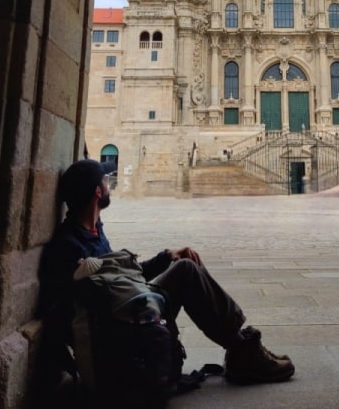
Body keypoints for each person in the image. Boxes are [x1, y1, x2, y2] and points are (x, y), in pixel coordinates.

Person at [39, 159, 294, 391]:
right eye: (105, 181)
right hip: (122, 329)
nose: (109, 185)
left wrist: (166, 257)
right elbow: (74, 309)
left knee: (184, 265)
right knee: (187, 271)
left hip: (128, 311)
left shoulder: (93, 230)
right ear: (97, 192)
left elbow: (124, 278)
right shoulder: (68, 246)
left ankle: (240, 345)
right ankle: (242, 351)